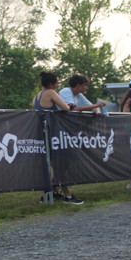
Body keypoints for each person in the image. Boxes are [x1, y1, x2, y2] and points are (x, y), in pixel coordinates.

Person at [33, 72, 83, 204]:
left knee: (49, 164)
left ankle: (51, 193)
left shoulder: (37, 96)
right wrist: (70, 107)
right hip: (53, 133)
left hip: (42, 133)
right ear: (51, 84)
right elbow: (66, 108)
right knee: (60, 163)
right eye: (57, 82)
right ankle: (67, 196)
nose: (58, 85)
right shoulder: (51, 92)